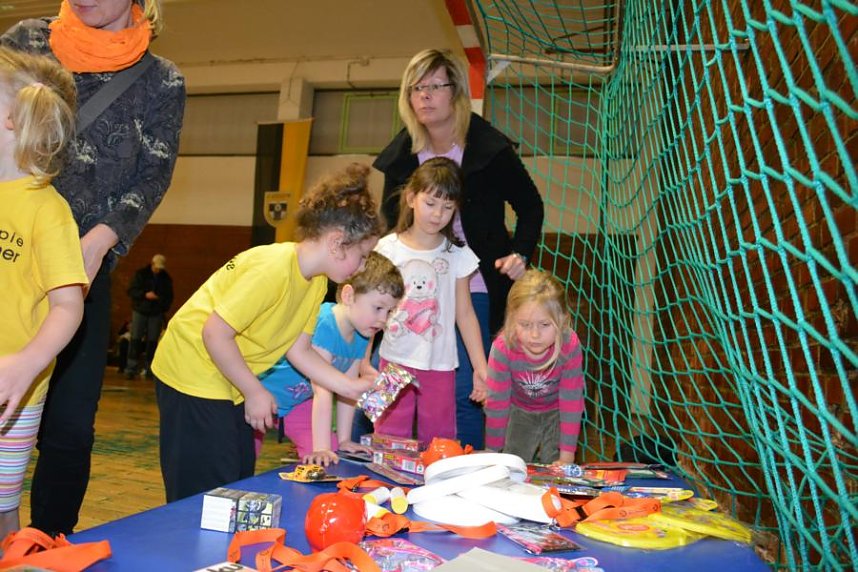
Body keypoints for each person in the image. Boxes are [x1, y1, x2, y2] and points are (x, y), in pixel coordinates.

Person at [1, 0, 185, 535]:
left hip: (82, 263)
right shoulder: (25, 40)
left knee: (68, 429)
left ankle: (48, 546)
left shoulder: (161, 81)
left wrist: (98, 242)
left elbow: (154, 174)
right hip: (11, 251)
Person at [151, 163, 382, 502]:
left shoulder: (316, 283)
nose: (361, 268)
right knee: (204, 488)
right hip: (192, 372)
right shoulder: (273, 268)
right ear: (336, 243)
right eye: (362, 256)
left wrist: (349, 386)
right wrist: (254, 390)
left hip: (228, 374)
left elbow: (299, 350)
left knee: (238, 473)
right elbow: (215, 333)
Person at [370, 48, 544, 449]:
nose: (425, 96)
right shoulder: (402, 155)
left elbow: (530, 205)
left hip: (472, 278)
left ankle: (461, 464)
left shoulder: (488, 147)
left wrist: (520, 252)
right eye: (416, 89)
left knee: (465, 387)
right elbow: (388, 218)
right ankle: (383, 462)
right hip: (411, 283)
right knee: (392, 388)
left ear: (456, 93)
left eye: (435, 86)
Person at [0, 47, 88, 538]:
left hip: (13, 388)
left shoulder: (47, 210)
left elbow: (68, 305)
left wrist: (26, 363)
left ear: (14, 119)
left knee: (0, 503)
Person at [373, 157, 487, 445]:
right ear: (412, 198)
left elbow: (465, 313)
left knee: (440, 440)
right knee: (386, 435)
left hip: (440, 363)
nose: (438, 214)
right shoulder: (387, 248)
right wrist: (362, 360)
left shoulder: (457, 254)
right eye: (431, 203)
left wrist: (481, 367)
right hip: (391, 360)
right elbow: (369, 310)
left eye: (448, 207)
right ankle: (383, 489)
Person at [256, 251, 404, 466]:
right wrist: (321, 447)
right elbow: (322, 390)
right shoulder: (325, 324)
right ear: (349, 296)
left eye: (390, 312)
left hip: (299, 401)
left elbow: (348, 390)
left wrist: (344, 440)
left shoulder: (362, 332)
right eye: (378, 308)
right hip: (262, 395)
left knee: (330, 455)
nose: (383, 320)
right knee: (242, 457)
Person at [484, 269, 584, 464]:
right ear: (512, 320)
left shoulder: (569, 344)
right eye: (525, 325)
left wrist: (567, 455)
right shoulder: (503, 348)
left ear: (562, 320)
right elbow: (498, 402)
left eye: (544, 324)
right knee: (513, 464)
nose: (535, 335)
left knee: (555, 466)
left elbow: (571, 401)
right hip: (520, 411)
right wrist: (492, 450)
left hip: (557, 412)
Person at [125, 253, 173, 380]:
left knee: (152, 341)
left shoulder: (166, 279)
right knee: (135, 339)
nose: (158, 270)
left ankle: (150, 369)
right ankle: (131, 368)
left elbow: (169, 297)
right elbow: (131, 291)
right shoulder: (141, 274)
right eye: (156, 267)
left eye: (160, 268)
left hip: (156, 313)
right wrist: (145, 295)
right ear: (152, 264)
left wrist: (160, 302)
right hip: (140, 310)